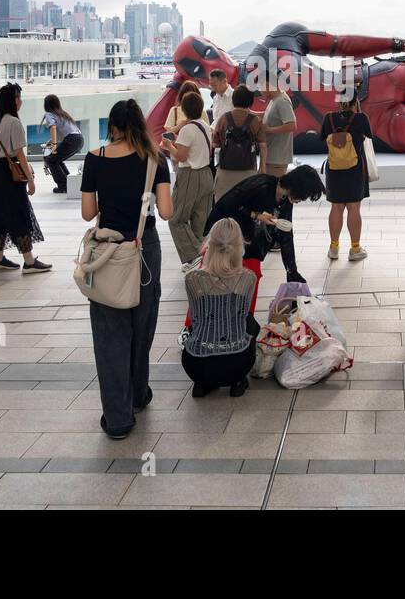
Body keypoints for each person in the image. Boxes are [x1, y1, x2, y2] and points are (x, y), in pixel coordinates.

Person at [80, 99, 173, 440]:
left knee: (110, 335)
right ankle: (138, 393)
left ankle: (118, 418)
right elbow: (165, 211)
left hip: (108, 253)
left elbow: (88, 213)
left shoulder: (95, 159)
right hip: (144, 249)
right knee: (141, 326)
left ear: (113, 127)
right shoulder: (155, 159)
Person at [204, 165, 324, 309]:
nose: (302, 200)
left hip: (249, 242)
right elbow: (227, 204)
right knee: (214, 279)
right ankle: (194, 323)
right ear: (298, 187)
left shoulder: (285, 200)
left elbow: (286, 234)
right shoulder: (262, 184)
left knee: (253, 275)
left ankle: (245, 317)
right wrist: (255, 215)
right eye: (304, 195)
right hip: (223, 236)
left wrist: (292, 271)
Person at [182, 218, 259, 398]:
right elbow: (243, 317)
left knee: (199, 324)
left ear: (210, 245)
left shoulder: (192, 279)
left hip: (196, 363)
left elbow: (194, 319)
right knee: (250, 323)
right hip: (237, 362)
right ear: (239, 246)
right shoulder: (248, 278)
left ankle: (202, 385)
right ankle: (237, 382)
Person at [0, 83, 51, 272]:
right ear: (12, 100)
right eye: (18, 97)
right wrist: (30, 179)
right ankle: (29, 261)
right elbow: (19, 154)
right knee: (19, 213)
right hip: (11, 173)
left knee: (0, 214)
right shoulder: (14, 122)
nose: (20, 101)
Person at [320, 97, 372, 261]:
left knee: (336, 207)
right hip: (354, 169)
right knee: (353, 207)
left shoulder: (328, 118)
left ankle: (334, 248)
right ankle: (355, 249)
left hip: (334, 169)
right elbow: (369, 135)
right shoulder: (361, 118)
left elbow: (322, 138)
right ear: (355, 101)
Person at [168, 90, 215, 266]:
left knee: (176, 219)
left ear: (184, 109)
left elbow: (180, 156)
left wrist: (168, 145)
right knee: (199, 221)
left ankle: (194, 256)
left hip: (190, 176)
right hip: (206, 174)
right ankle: (201, 258)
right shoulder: (204, 125)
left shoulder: (187, 130)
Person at [212, 83, 266, 199]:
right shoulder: (255, 120)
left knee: (223, 205)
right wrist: (262, 168)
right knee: (247, 204)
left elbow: (215, 144)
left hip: (225, 170)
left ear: (234, 99)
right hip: (248, 170)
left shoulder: (223, 118)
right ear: (250, 101)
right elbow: (263, 146)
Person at [41, 94, 83, 193]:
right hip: (79, 139)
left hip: (72, 139)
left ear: (46, 105)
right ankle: (69, 184)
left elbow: (53, 127)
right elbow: (64, 132)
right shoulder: (63, 113)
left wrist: (54, 144)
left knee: (51, 160)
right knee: (57, 160)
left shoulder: (49, 114)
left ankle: (63, 186)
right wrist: (51, 142)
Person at [261, 80, 297, 178]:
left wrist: (268, 130)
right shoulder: (274, 100)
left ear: (267, 85)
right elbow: (269, 117)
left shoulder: (282, 101)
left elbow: (291, 125)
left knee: (275, 190)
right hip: (272, 157)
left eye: (261, 87)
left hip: (277, 159)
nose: (260, 91)